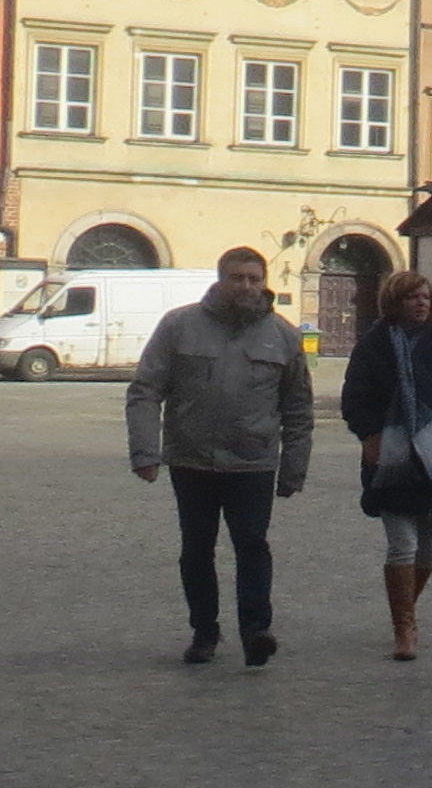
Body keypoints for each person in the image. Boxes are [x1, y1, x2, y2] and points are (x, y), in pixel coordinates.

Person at [127, 247, 312, 667]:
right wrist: (145, 451)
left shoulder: (283, 336)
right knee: (196, 548)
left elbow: (298, 410)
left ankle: (255, 631)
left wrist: (293, 468)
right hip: (193, 459)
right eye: (236, 277)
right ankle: (204, 631)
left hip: (253, 462)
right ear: (220, 279)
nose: (245, 286)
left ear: (263, 282)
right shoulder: (180, 326)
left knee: (251, 544)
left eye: (253, 278)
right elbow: (145, 390)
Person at [335, 271, 432, 662]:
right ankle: (405, 627)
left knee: (428, 551)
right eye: (412, 297)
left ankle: (406, 610)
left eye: (426, 297)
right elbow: (355, 398)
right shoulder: (374, 345)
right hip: (392, 457)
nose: (422, 303)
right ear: (394, 303)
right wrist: (370, 435)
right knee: (403, 543)